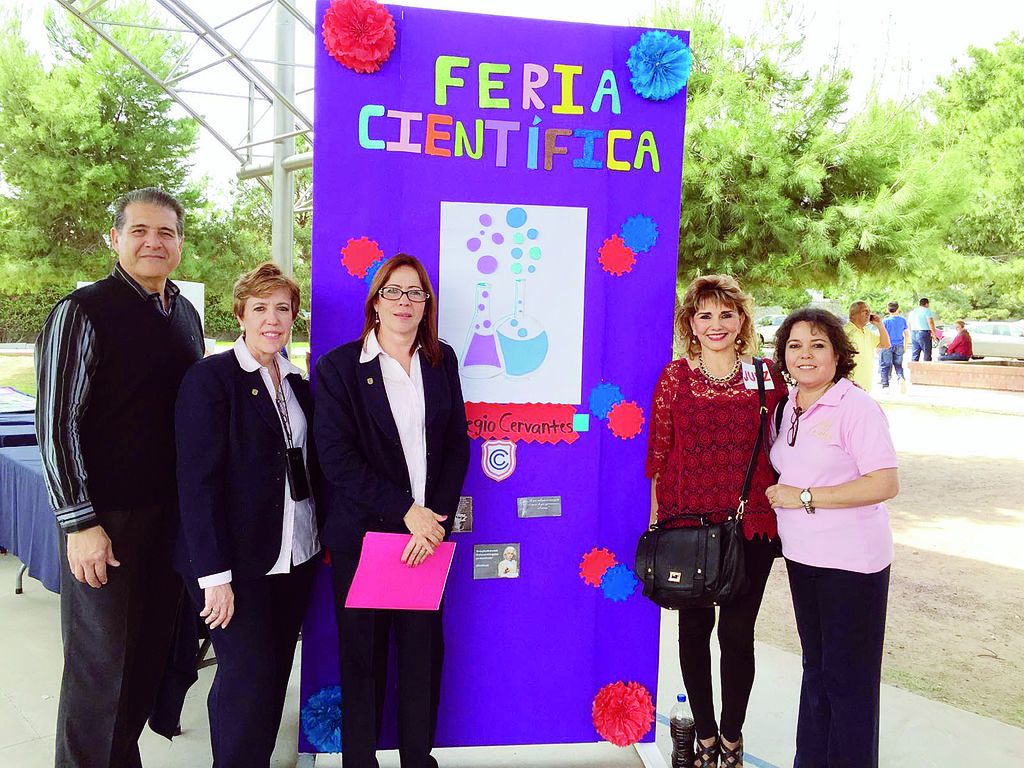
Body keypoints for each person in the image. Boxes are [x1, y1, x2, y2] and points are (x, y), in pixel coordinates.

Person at [34, 187, 204, 767]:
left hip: (169, 519)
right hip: (105, 522)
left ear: (180, 244)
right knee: (100, 674)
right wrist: (79, 523)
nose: (154, 242)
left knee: (143, 666)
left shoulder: (184, 315)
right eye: (140, 231)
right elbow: (56, 424)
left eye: (166, 232)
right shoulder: (83, 311)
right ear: (115, 239)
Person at [314, 254, 470, 768]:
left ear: (427, 305)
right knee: (362, 662)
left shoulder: (442, 361)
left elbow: (456, 446)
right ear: (375, 302)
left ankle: (417, 759)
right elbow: (337, 458)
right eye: (394, 291)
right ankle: (360, 761)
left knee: (423, 659)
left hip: (428, 539)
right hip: (365, 541)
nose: (405, 302)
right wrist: (407, 512)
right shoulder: (339, 368)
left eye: (415, 293)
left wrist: (434, 519)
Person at [174, 263, 320, 767]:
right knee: (247, 677)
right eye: (259, 308)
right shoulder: (211, 379)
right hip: (235, 565)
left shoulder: (297, 382)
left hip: (296, 554)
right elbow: (196, 485)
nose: (271, 320)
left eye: (282, 309)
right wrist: (214, 577)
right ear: (240, 315)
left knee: (274, 675)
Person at [646, 274, 786, 768]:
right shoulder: (675, 378)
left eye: (727, 314)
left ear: (743, 319)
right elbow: (659, 452)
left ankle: (731, 739)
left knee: (737, 634)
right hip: (689, 526)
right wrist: (657, 521)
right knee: (694, 630)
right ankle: (703, 737)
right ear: (690, 324)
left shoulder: (766, 375)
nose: (716, 324)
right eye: (704, 315)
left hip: (752, 524)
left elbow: (786, 441)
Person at [765, 308, 899, 768]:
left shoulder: (855, 407)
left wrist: (804, 496)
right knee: (816, 670)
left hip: (852, 564)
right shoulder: (789, 405)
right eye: (795, 345)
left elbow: (884, 483)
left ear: (838, 354)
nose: (805, 355)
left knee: (849, 680)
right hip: (804, 558)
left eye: (818, 345)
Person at [844, 301, 890, 392]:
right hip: (850, 384)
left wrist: (880, 325)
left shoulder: (867, 331)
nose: (868, 314)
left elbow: (885, 344)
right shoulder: (846, 332)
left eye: (869, 311)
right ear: (853, 314)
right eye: (865, 311)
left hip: (865, 384)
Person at [879, 302, 908, 391]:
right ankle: (900, 378)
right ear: (898, 309)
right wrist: (905, 346)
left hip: (886, 345)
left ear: (888, 310)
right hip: (899, 345)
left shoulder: (885, 321)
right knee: (898, 365)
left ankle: (885, 386)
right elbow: (906, 334)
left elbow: (881, 334)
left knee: (885, 365)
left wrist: (878, 346)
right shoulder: (902, 320)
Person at [908, 297, 938, 362]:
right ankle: (927, 367)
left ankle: (914, 367)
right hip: (923, 333)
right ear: (926, 304)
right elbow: (930, 322)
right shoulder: (926, 311)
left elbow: (909, 323)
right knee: (927, 353)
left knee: (915, 353)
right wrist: (934, 334)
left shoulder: (913, 312)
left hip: (914, 332)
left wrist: (911, 332)